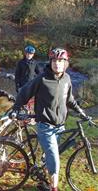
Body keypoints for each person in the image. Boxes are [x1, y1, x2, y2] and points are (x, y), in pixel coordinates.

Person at [11, 48, 90, 191]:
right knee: (54, 158)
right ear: (50, 62)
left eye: (60, 61)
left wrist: (80, 111)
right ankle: (54, 188)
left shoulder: (66, 79)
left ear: (65, 63)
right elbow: (24, 92)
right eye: (54, 60)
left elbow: (70, 99)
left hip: (59, 125)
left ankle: (43, 181)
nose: (57, 63)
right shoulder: (42, 79)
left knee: (50, 156)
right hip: (45, 125)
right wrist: (16, 108)